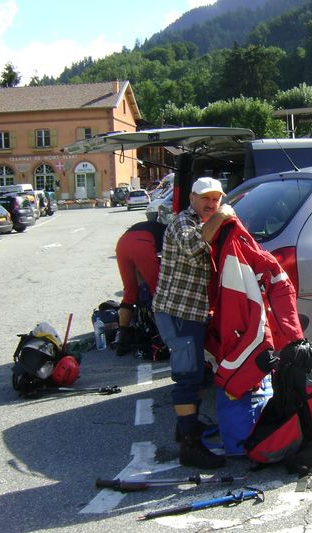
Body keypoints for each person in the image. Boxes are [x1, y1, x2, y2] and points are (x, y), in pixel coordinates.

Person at [152, 177, 234, 469]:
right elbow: (195, 244)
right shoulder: (182, 223)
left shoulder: (205, 220)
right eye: (205, 199)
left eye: (216, 199)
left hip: (193, 313)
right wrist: (224, 214)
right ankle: (190, 447)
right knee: (187, 378)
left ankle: (186, 425)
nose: (211, 204)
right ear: (192, 198)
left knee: (199, 375)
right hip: (178, 314)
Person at [114, 220, 166, 356]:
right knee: (158, 291)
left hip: (122, 243)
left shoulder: (158, 227)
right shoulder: (174, 232)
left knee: (129, 293)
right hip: (142, 243)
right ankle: (162, 336)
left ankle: (122, 342)